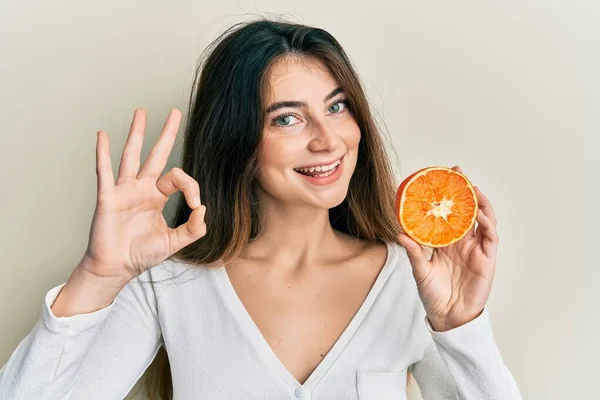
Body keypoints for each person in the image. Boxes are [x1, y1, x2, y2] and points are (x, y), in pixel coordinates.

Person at [0, 18, 522, 400]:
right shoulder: (169, 285)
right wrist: (97, 277)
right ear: (238, 144)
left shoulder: (411, 281)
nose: (328, 140)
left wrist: (460, 326)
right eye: (287, 120)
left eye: (337, 107)